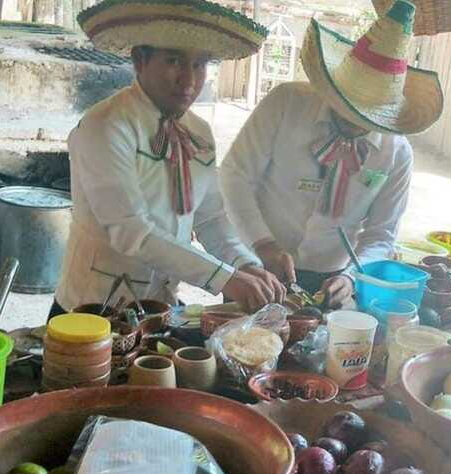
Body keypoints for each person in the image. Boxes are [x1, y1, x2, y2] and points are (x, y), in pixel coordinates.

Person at [51, 0, 285, 318]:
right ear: (139, 60)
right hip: (93, 311)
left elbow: (210, 218)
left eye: (200, 64)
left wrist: (246, 264)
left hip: (161, 307)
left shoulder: (198, 132)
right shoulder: (106, 126)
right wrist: (225, 278)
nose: (188, 80)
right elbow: (130, 231)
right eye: (174, 60)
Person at [220, 0, 442, 309]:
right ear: (334, 90)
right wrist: (264, 244)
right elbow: (235, 176)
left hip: (333, 275)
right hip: (258, 263)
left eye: (368, 118)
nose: (355, 123)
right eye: (349, 108)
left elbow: (380, 234)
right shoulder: (286, 104)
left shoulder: (396, 153)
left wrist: (352, 277)